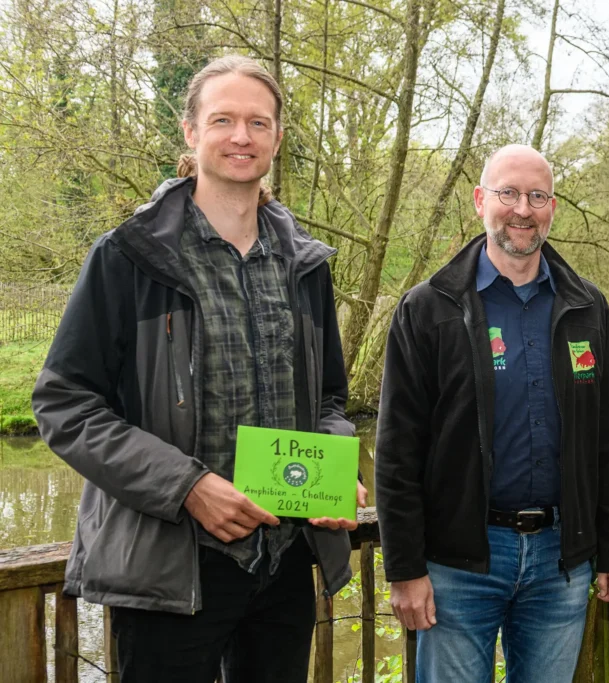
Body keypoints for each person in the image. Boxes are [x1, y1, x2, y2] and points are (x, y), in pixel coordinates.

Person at [32, 55, 365, 683]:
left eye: (258, 123)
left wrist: (333, 467)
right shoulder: (130, 256)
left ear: (277, 138)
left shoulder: (304, 265)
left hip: (282, 562)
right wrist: (186, 486)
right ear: (190, 131)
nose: (242, 136)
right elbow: (64, 404)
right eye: (223, 120)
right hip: (170, 570)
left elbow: (328, 400)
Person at [374, 144, 609, 682]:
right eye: (508, 193)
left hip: (560, 560)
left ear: (553, 207)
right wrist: (405, 568)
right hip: (458, 562)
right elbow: (397, 450)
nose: (523, 209)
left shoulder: (587, 307)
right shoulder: (428, 308)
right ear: (480, 200)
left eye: (537, 196)